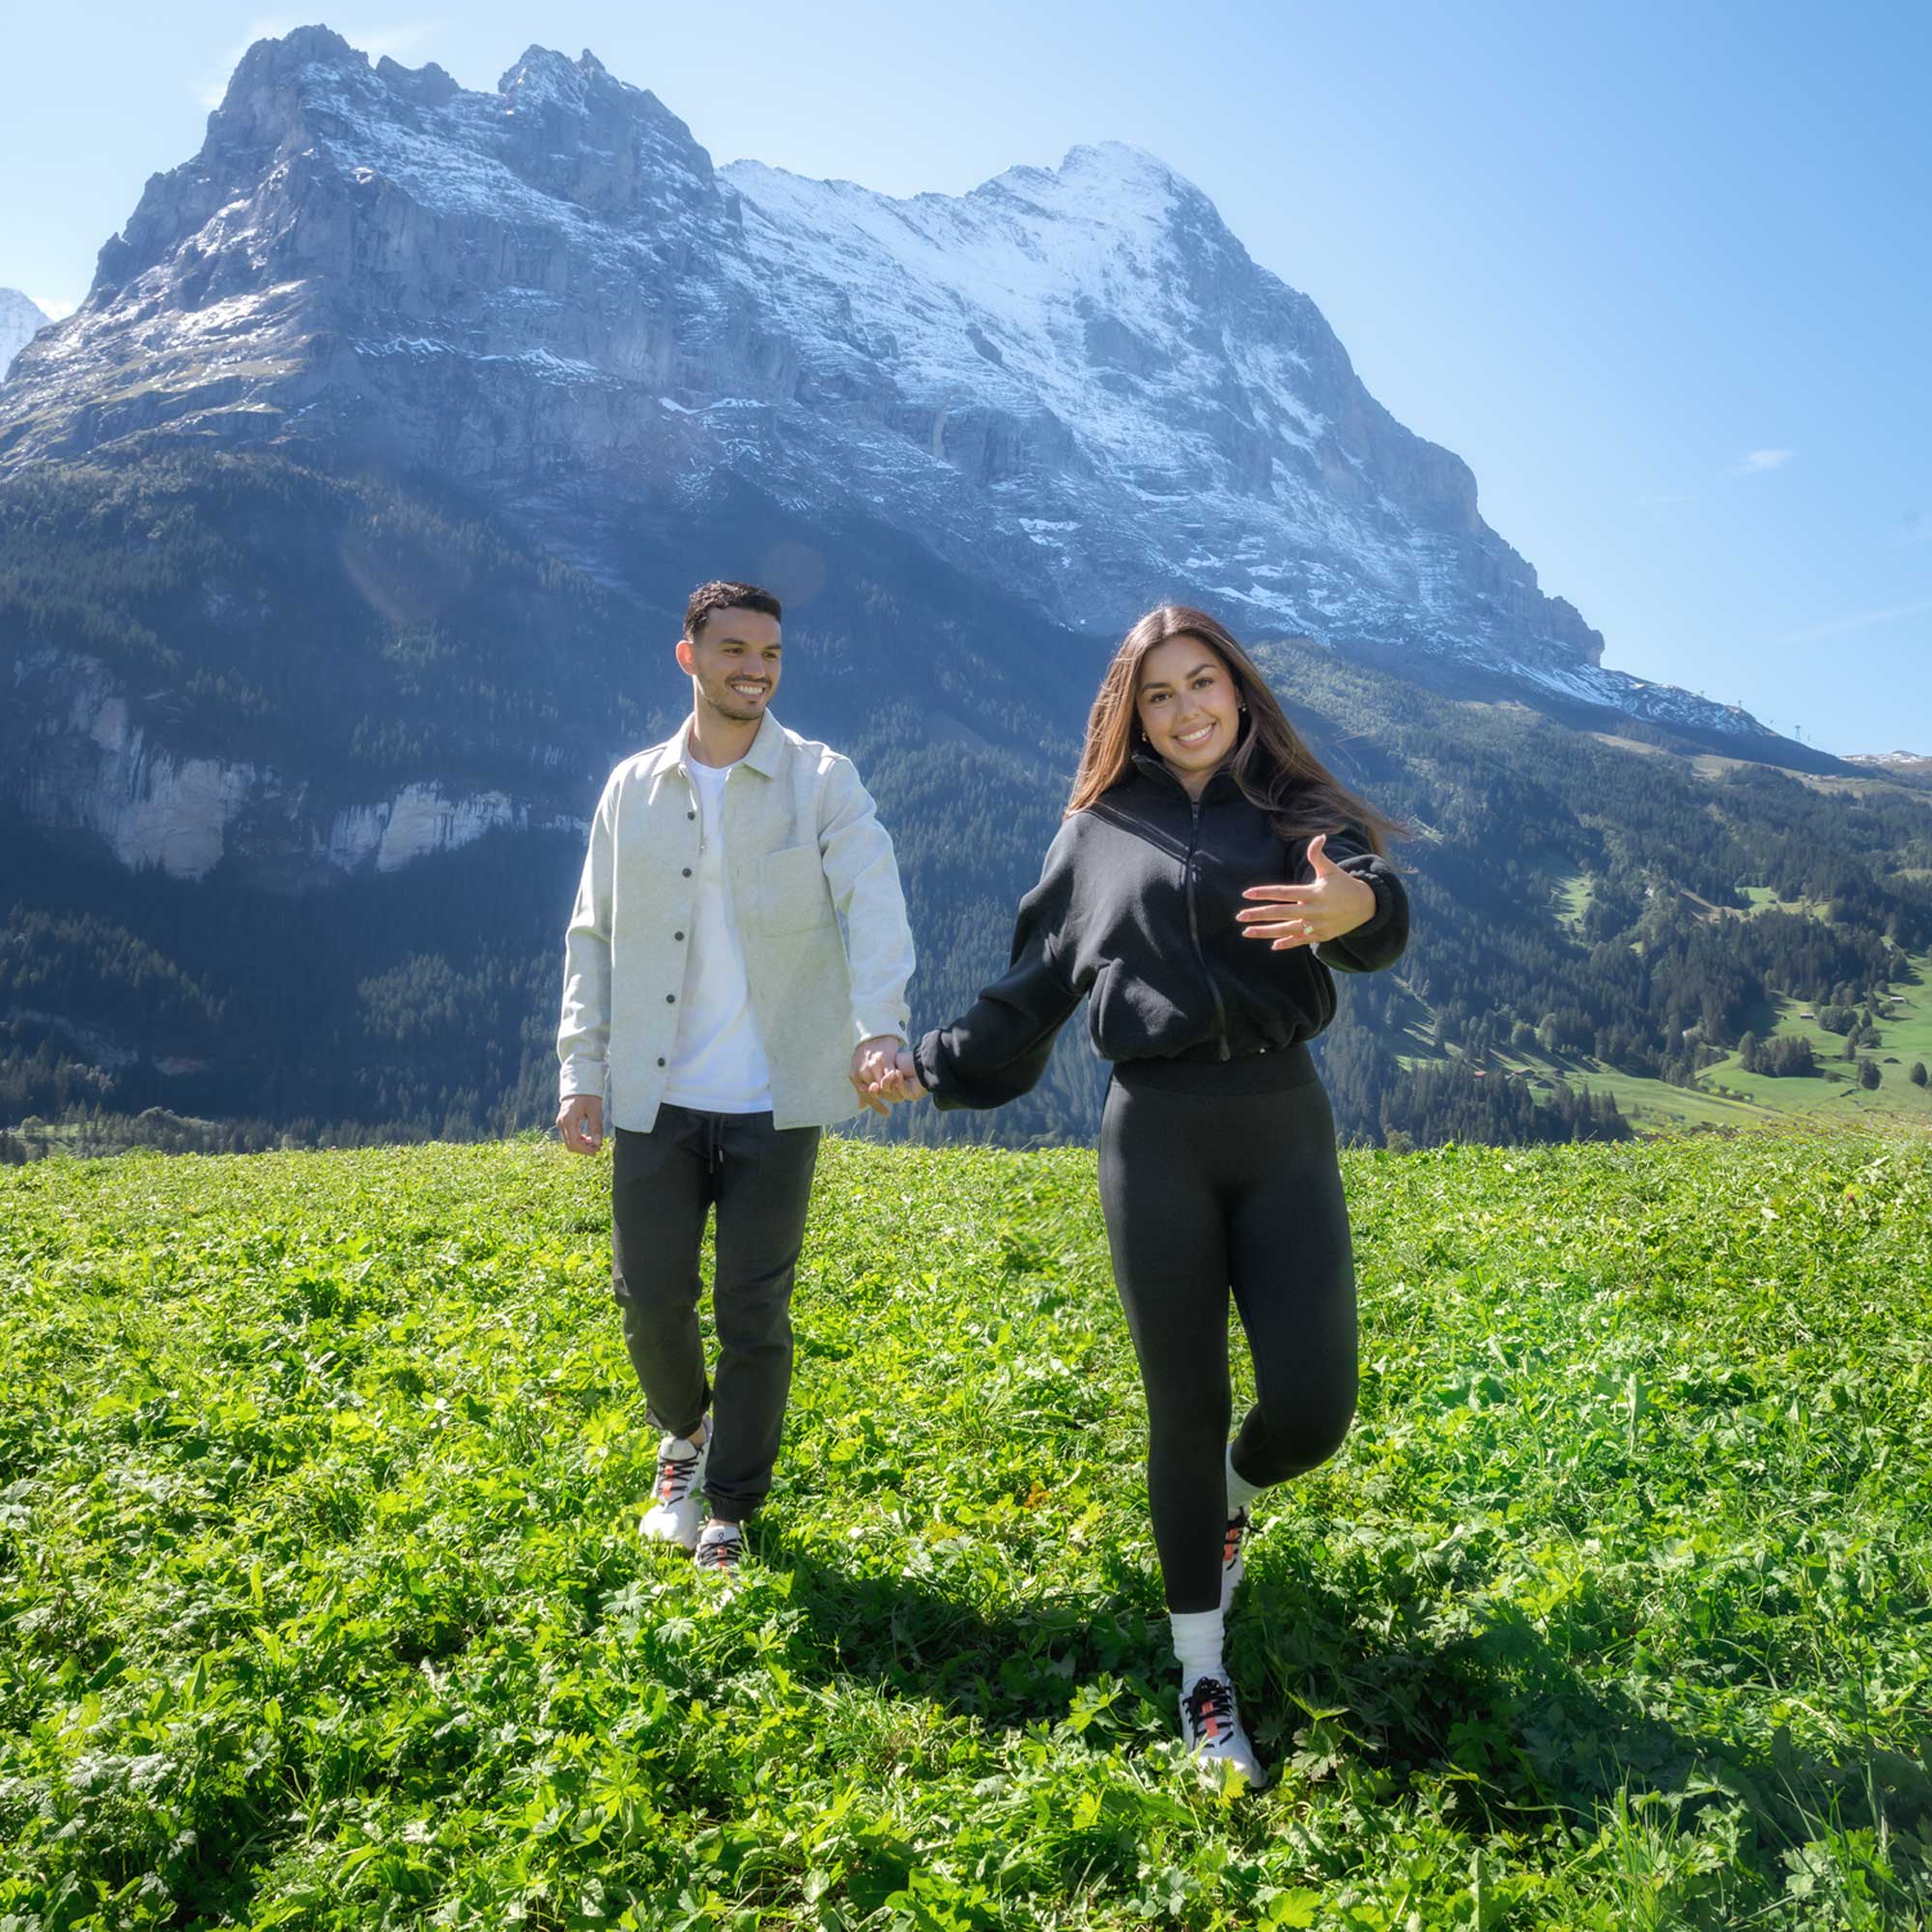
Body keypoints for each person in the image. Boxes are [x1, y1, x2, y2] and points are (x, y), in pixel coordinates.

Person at [872, 604, 1406, 1786]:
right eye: (1158, 693)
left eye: (1201, 682)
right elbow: (1031, 991)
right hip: (1151, 1135)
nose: (1185, 708)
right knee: (1184, 1403)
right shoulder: (1095, 829)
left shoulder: (1293, 812)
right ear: (1130, 711)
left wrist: (1350, 908)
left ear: (1239, 689)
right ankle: (1201, 1675)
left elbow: (1373, 903)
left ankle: (1224, 1495)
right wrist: (931, 1063)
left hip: (1281, 1124)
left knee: (1313, 1408)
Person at [556, 580, 916, 1580]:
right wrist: (579, 1070)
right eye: (733, 650)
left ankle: (728, 1506)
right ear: (689, 656)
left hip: (775, 1101)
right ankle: (683, 1432)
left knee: (753, 1309)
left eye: (769, 653)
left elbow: (873, 899)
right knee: (649, 1296)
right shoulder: (633, 787)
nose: (753, 668)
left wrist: (878, 1024)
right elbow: (590, 932)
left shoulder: (821, 779)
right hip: (652, 1096)